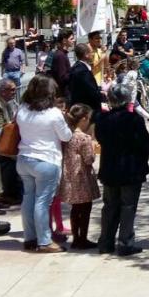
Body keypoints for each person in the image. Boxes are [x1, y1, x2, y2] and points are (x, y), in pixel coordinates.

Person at [14, 74, 73, 254]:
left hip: (24, 158)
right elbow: (66, 136)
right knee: (42, 202)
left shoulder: (22, 110)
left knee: (28, 199)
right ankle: (44, 241)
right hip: (46, 161)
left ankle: (30, 238)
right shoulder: (53, 114)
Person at [96, 82, 149, 256]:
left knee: (110, 206)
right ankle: (125, 242)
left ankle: (106, 242)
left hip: (110, 168)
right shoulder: (134, 119)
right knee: (128, 206)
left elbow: (100, 139)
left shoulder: (102, 119)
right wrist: (141, 161)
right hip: (130, 169)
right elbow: (145, 143)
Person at [59, 104, 100, 250]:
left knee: (75, 209)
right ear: (83, 119)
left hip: (70, 176)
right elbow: (89, 159)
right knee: (85, 208)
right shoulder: (84, 138)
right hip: (82, 177)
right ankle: (82, 238)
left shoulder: (67, 136)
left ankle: (76, 237)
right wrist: (94, 149)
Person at [66, 43, 104, 117]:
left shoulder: (76, 67)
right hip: (86, 110)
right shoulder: (83, 71)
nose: (92, 54)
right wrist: (102, 96)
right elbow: (91, 92)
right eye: (91, 52)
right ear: (86, 54)